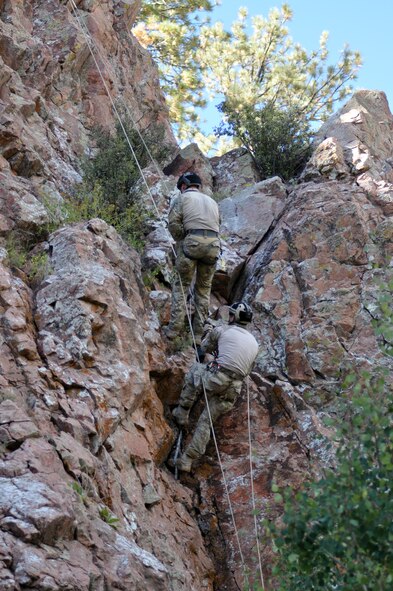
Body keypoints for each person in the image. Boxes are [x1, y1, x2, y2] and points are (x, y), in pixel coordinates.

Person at [172, 302, 259, 472]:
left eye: (231, 314)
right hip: (234, 388)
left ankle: (182, 413)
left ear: (233, 317)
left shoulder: (223, 330)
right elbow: (247, 370)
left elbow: (203, 351)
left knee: (195, 372)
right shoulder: (254, 343)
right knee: (206, 421)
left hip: (217, 378)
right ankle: (186, 460)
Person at [164, 172, 220, 344]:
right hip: (213, 247)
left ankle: (174, 330)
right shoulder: (213, 202)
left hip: (192, 245)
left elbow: (173, 224)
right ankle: (197, 335)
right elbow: (219, 223)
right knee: (203, 290)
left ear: (183, 186)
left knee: (181, 286)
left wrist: (182, 238)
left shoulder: (182, 199)